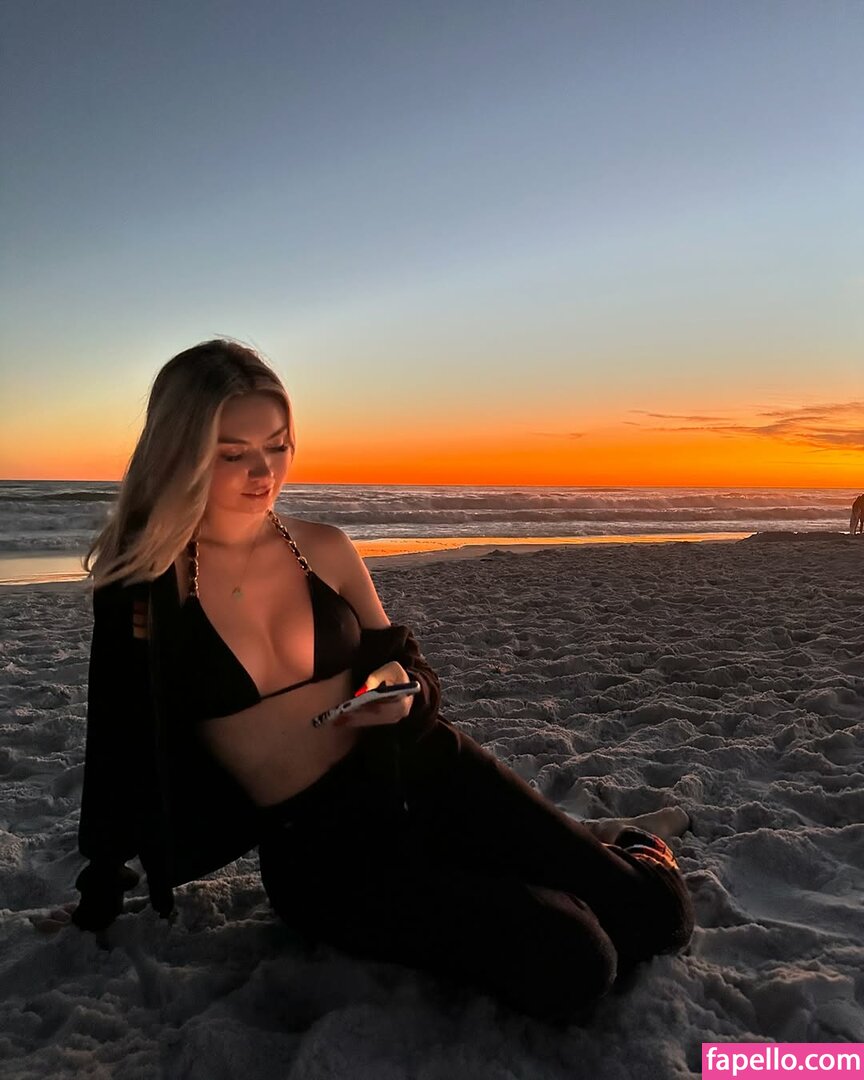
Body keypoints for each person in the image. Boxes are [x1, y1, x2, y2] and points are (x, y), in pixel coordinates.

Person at [38, 339, 694, 1025]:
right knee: (578, 962)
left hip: (427, 771)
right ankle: (572, 855)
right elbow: (115, 742)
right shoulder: (145, 587)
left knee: (656, 919)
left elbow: (408, 667)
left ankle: (626, 848)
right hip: (324, 855)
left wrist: (402, 689)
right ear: (182, 452)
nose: (264, 471)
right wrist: (98, 896)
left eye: (278, 446)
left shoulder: (323, 548)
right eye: (233, 453)